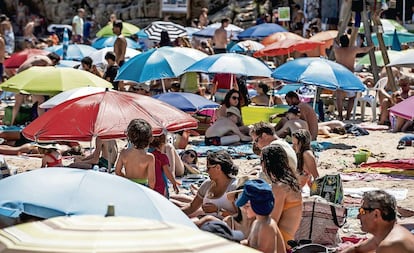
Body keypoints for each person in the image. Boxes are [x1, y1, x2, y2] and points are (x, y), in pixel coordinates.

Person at [341, 190, 414, 253]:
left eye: (362, 211)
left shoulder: (389, 245)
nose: (358, 216)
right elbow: (356, 249)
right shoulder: (387, 233)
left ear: (376, 214)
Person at [261, 143, 303, 250]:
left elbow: (272, 221)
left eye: (261, 160)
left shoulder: (279, 187)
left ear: (267, 163)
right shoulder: (292, 183)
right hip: (289, 238)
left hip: (280, 240)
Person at [181, 150, 238, 219]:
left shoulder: (234, 187)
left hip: (226, 226)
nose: (206, 171)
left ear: (218, 168)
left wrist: (218, 211)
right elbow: (192, 207)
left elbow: (240, 217)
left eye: (208, 168)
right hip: (208, 224)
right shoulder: (207, 184)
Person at [237, 179, 286, 253]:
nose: (243, 209)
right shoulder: (257, 222)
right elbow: (250, 243)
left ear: (256, 206)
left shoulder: (267, 226)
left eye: (247, 206)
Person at [333, 34, 373, 120]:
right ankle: (348, 115)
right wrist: (372, 46)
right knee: (352, 97)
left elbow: (334, 42)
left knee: (339, 96)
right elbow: (364, 49)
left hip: (339, 75)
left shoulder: (337, 50)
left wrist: (336, 40)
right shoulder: (352, 50)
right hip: (349, 75)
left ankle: (340, 115)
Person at [115, 119, 155, 189]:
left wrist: (128, 181)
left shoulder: (124, 152)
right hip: (142, 188)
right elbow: (152, 182)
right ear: (148, 139)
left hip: (128, 186)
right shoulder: (149, 157)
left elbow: (117, 171)